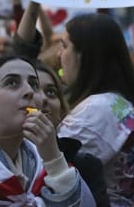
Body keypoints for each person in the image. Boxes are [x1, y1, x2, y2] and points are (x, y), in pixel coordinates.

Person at [17, 0, 134, 206]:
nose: (60, 55)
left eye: (64, 45)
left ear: (85, 56)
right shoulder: (114, 103)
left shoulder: (99, 109)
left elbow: (47, 160)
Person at [0, 55, 95, 205]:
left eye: (33, 84)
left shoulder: (42, 162)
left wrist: (53, 157)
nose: (29, 91)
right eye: (12, 83)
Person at [35, 60, 111, 206]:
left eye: (51, 92)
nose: (43, 98)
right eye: (33, 89)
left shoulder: (86, 166)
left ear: (62, 112)